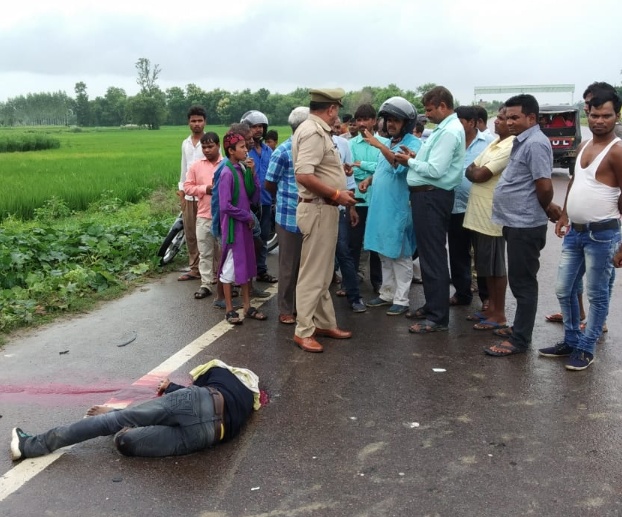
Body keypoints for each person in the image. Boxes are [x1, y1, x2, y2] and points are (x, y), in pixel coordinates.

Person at [10, 360, 262, 460]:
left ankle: (32, 445)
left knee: (118, 429)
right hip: (211, 435)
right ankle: (118, 421)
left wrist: (171, 386)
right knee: (125, 441)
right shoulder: (250, 399)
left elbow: (189, 392)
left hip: (200, 402)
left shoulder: (218, 370)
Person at [538, 89, 622, 370]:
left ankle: (586, 347)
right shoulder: (584, 144)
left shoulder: (618, 152)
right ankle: (572, 340)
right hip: (575, 231)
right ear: (587, 114)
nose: (600, 120)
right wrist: (564, 214)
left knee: (597, 295)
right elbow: (575, 180)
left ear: (616, 116)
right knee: (564, 289)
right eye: (595, 115)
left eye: (606, 115)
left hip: (603, 235)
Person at [483, 94, 555, 357]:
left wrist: (547, 208)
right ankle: (519, 329)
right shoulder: (521, 141)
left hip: (525, 225)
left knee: (523, 283)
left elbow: (544, 186)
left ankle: (520, 340)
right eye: (507, 117)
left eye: (515, 117)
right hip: (514, 223)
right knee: (519, 280)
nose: (509, 122)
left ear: (531, 118)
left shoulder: (535, 143)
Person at [396, 86, 465, 334]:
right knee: (427, 254)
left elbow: (435, 171)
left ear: (443, 106)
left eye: (430, 110)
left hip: (432, 196)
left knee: (433, 254)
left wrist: (409, 162)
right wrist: (415, 156)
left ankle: (438, 317)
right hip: (427, 196)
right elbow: (434, 163)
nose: (427, 115)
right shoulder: (443, 130)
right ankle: (433, 305)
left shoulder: (449, 132)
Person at [292, 87, 356, 353]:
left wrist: (338, 174)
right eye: (337, 110)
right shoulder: (313, 131)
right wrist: (336, 193)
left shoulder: (317, 131)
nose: (337, 115)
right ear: (331, 109)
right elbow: (303, 175)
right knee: (313, 275)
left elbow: (316, 169)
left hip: (324, 209)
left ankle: (324, 323)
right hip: (318, 208)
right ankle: (303, 330)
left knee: (323, 272)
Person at [360, 97, 420, 316]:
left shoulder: (413, 144)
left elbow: (397, 165)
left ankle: (402, 299)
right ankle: (387, 293)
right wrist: (369, 180)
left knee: (400, 254)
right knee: (384, 252)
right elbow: (382, 168)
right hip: (380, 207)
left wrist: (377, 144)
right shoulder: (389, 143)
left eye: (396, 120)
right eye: (388, 120)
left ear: (407, 123)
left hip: (398, 208)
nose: (390, 124)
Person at [463, 106, 515, 330]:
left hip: (492, 214)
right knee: (485, 265)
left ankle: (499, 314)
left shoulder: (512, 143)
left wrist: (476, 172)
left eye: (503, 119)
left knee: (496, 267)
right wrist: (475, 172)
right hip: (478, 215)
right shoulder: (495, 143)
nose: (498, 122)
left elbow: (481, 174)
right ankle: (491, 308)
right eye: (499, 118)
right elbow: (470, 168)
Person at [265, 107, 310, 325]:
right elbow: (269, 183)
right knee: (288, 266)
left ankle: (302, 307)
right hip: (288, 217)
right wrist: (286, 199)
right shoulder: (283, 151)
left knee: (306, 266)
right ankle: (285, 308)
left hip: (310, 216)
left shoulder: (312, 149)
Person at [218, 132, 266, 325]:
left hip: (244, 226)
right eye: (242, 147)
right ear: (231, 151)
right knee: (229, 269)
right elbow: (225, 206)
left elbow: (253, 196)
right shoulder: (227, 173)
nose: (246, 150)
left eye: (246, 147)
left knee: (246, 265)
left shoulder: (243, 169)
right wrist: (246, 216)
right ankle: (230, 309)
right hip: (233, 227)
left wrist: (253, 174)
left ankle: (247, 306)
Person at [448, 106, 490, 307]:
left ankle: (487, 298)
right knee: (457, 253)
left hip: (479, 207)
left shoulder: (489, 143)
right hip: (455, 207)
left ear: (472, 123)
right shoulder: (451, 141)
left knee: (482, 255)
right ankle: (462, 293)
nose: (455, 125)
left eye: (459, 121)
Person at [331, 117, 366, 313]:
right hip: (319, 208)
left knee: (343, 252)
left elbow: (349, 177)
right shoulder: (314, 142)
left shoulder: (343, 144)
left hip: (339, 209)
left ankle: (354, 296)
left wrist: (352, 208)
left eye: (337, 126)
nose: (335, 129)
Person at [183, 132, 223, 299]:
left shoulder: (226, 164)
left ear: (218, 146)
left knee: (223, 253)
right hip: (204, 215)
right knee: (205, 252)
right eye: (204, 147)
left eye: (210, 146)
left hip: (223, 217)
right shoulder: (196, 166)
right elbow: (187, 187)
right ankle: (206, 284)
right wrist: (204, 189)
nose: (206, 150)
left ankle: (226, 284)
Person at [348, 103, 383, 294]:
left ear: (374, 121)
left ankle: (378, 282)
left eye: (366, 119)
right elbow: (349, 169)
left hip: (377, 199)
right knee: (354, 243)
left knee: (376, 243)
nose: (362, 124)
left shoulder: (383, 144)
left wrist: (361, 164)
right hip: (356, 199)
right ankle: (351, 281)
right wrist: (370, 169)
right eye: (359, 120)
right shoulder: (350, 144)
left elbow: (383, 168)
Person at [240, 110, 277, 285]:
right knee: (248, 240)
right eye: (254, 126)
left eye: (261, 126)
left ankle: (261, 270)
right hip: (249, 204)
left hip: (267, 201)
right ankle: (243, 276)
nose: (258, 130)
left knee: (262, 239)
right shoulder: (243, 152)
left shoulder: (269, 150)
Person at [177, 105, 206, 281]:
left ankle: (213, 270)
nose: (196, 124)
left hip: (206, 195)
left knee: (208, 234)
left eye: (200, 120)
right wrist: (181, 190)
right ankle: (195, 268)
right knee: (191, 233)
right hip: (188, 195)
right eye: (193, 121)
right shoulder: (185, 143)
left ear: (205, 122)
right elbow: (184, 167)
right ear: (189, 122)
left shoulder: (210, 142)